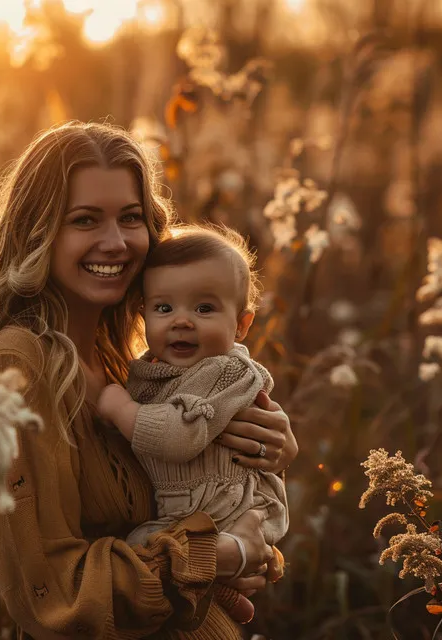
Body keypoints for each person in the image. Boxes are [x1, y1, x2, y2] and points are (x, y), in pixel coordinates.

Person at [0, 121, 298, 640]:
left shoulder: (135, 358)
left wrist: (271, 452)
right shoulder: (19, 365)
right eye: (84, 220)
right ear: (38, 233)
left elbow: (200, 498)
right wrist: (215, 555)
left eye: (130, 218)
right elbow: (56, 595)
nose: (115, 242)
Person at [96, 225, 289, 625]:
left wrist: (120, 411)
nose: (182, 321)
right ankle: (223, 594)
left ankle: (231, 572)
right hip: (191, 506)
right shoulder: (158, 370)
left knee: (143, 550)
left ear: (241, 325)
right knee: (150, 554)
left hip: (226, 506)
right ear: (142, 313)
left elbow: (179, 437)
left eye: (204, 309)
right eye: (164, 308)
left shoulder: (225, 370)